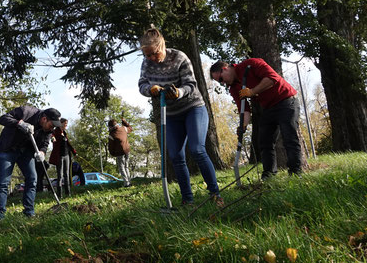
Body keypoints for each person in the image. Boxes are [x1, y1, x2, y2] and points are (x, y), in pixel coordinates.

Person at [138, 28, 222, 206]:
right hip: (170, 114)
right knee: (176, 156)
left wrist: (178, 93)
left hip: (193, 108)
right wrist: (150, 90)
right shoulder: (146, 63)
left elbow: (191, 84)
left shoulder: (179, 57)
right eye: (147, 55)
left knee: (197, 149)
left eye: (154, 53)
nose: (151, 58)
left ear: (162, 45)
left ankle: (215, 195)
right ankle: (187, 200)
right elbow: (142, 84)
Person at [209, 59, 304, 179]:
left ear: (225, 69)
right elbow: (244, 109)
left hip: (286, 101)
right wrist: (243, 125)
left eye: (221, 79)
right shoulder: (233, 88)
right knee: (265, 142)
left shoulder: (251, 64)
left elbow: (271, 79)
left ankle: (296, 173)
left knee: (289, 137)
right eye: (220, 82)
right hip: (268, 108)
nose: (223, 83)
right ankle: (269, 175)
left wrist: (252, 91)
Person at [0, 107, 62, 220]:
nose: (52, 128)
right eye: (52, 125)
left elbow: (45, 143)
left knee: (32, 179)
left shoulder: (48, 130)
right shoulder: (26, 112)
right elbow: (2, 119)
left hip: (26, 151)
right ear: (44, 119)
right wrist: (19, 123)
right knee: (3, 182)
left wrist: (42, 152)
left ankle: (29, 212)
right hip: (8, 148)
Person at [49, 118, 77, 198]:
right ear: (61, 123)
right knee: (60, 176)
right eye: (65, 124)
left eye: (66, 124)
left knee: (67, 175)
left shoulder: (64, 133)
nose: (66, 125)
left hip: (66, 156)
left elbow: (68, 143)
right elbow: (52, 135)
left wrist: (74, 152)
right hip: (59, 156)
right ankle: (59, 195)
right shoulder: (55, 131)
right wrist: (52, 138)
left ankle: (68, 194)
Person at [107, 118, 133, 187]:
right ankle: (129, 181)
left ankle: (126, 184)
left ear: (111, 127)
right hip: (127, 150)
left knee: (122, 168)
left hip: (119, 153)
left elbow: (110, 147)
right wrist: (124, 122)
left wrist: (113, 154)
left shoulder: (111, 135)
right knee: (126, 167)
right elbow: (130, 128)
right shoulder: (124, 128)